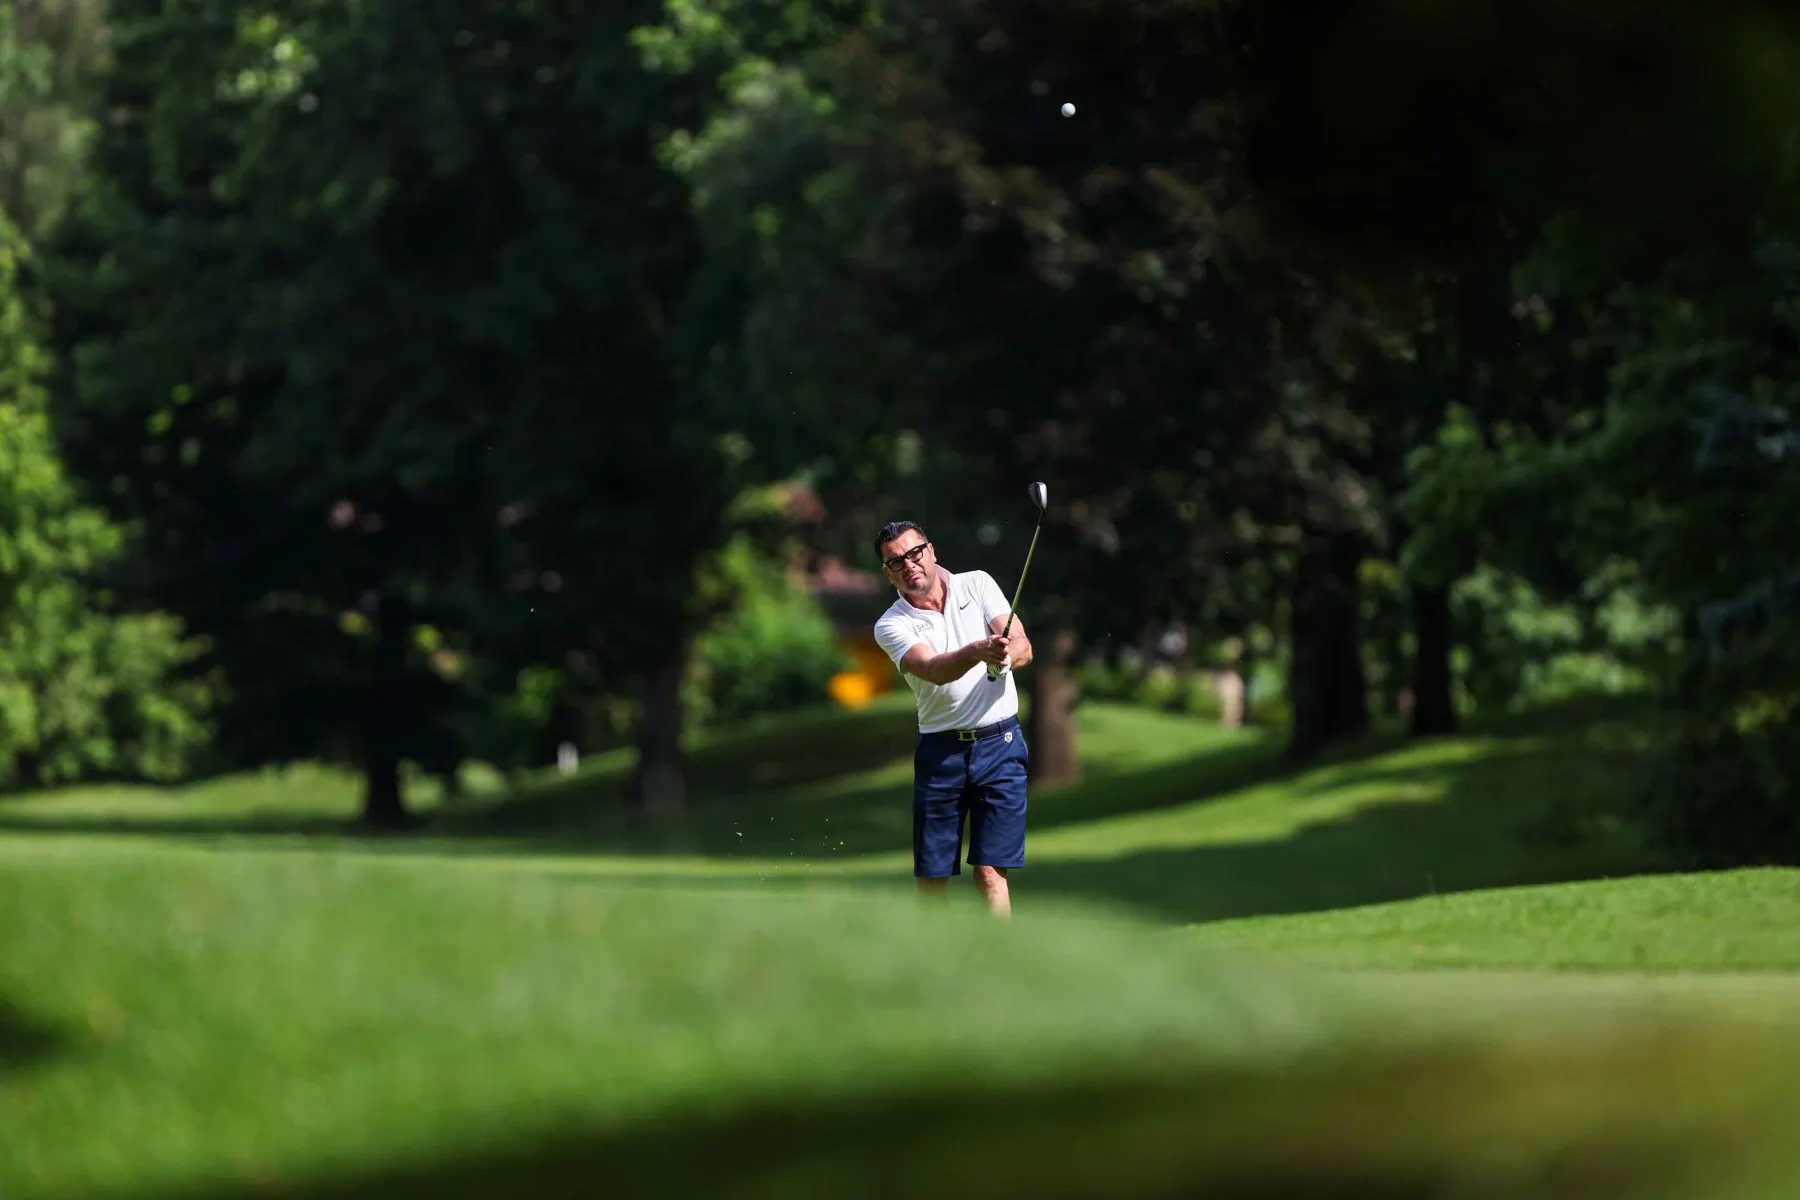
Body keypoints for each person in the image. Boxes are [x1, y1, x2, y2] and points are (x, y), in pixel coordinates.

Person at [871, 520, 1034, 917]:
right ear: (888, 573)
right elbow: (933, 670)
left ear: (931, 550)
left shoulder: (976, 583)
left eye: (914, 553)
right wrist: (979, 651)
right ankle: (936, 955)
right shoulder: (891, 624)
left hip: (1002, 746)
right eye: (896, 562)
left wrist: (1005, 656)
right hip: (942, 754)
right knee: (933, 878)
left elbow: (1023, 645)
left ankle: (1001, 954)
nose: (909, 565)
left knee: (991, 872)